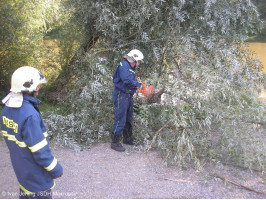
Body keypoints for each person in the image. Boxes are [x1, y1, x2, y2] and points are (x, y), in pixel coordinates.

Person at [0, 66, 63, 199]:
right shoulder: (29, 116)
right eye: (37, 85)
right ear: (30, 88)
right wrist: (56, 169)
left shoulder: (6, 110)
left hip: (23, 172)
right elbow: (40, 150)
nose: (39, 88)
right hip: (37, 178)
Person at [111, 49, 144, 152]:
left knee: (129, 118)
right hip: (121, 94)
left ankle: (127, 138)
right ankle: (114, 142)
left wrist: (139, 87)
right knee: (120, 118)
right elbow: (126, 80)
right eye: (138, 61)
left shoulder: (129, 67)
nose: (138, 64)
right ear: (133, 59)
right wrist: (139, 85)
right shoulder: (123, 65)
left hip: (128, 95)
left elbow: (131, 80)